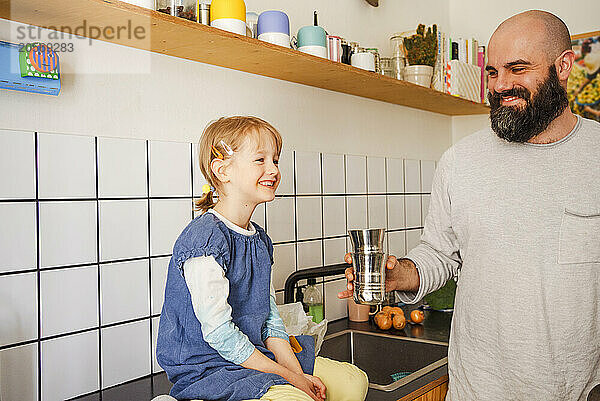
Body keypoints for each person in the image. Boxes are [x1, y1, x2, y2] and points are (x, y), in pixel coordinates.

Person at [339, 10, 600, 401]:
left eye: (517, 69)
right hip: (477, 389)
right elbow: (439, 254)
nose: (501, 85)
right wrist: (400, 276)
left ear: (563, 67)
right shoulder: (460, 161)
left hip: (573, 390)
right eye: (493, 72)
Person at [156, 116, 368, 401]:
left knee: (353, 383)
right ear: (222, 170)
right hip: (209, 369)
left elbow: (269, 320)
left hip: (254, 357)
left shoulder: (259, 240)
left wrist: (298, 374)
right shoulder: (204, 240)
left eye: (276, 160)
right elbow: (219, 333)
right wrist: (292, 380)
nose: (273, 169)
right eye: (260, 160)